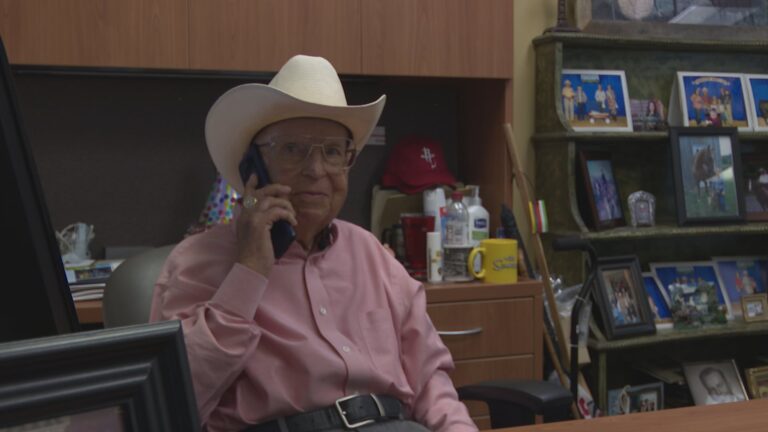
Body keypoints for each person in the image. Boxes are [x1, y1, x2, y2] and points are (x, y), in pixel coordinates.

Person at [149, 55, 477, 432]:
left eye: (333, 152)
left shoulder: (372, 256)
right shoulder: (195, 264)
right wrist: (248, 274)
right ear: (252, 166)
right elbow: (169, 407)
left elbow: (430, 379)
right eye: (292, 149)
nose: (316, 170)